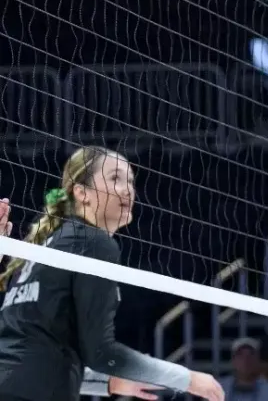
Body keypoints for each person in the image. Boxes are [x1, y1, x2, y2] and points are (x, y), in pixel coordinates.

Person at [0, 146, 223, 401]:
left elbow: (33, 357)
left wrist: (108, 382)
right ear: (82, 192)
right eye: (115, 178)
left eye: (130, 180)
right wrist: (187, 379)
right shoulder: (93, 242)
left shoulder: (44, 247)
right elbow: (102, 353)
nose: (128, 189)